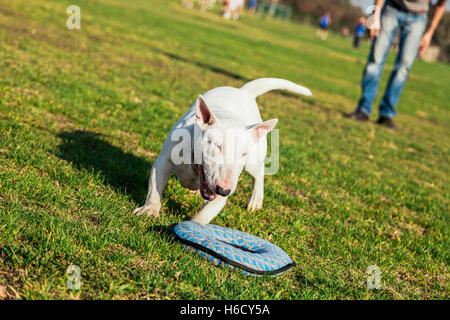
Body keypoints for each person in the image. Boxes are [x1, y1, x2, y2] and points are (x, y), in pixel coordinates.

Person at [345, 0, 447, 130]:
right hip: (392, 9)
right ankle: (363, 109)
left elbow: (440, 5)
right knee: (376, 58)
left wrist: (430, 32)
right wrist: (376, 13)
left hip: (419, 17)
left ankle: (387, 113)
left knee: (404, 66)